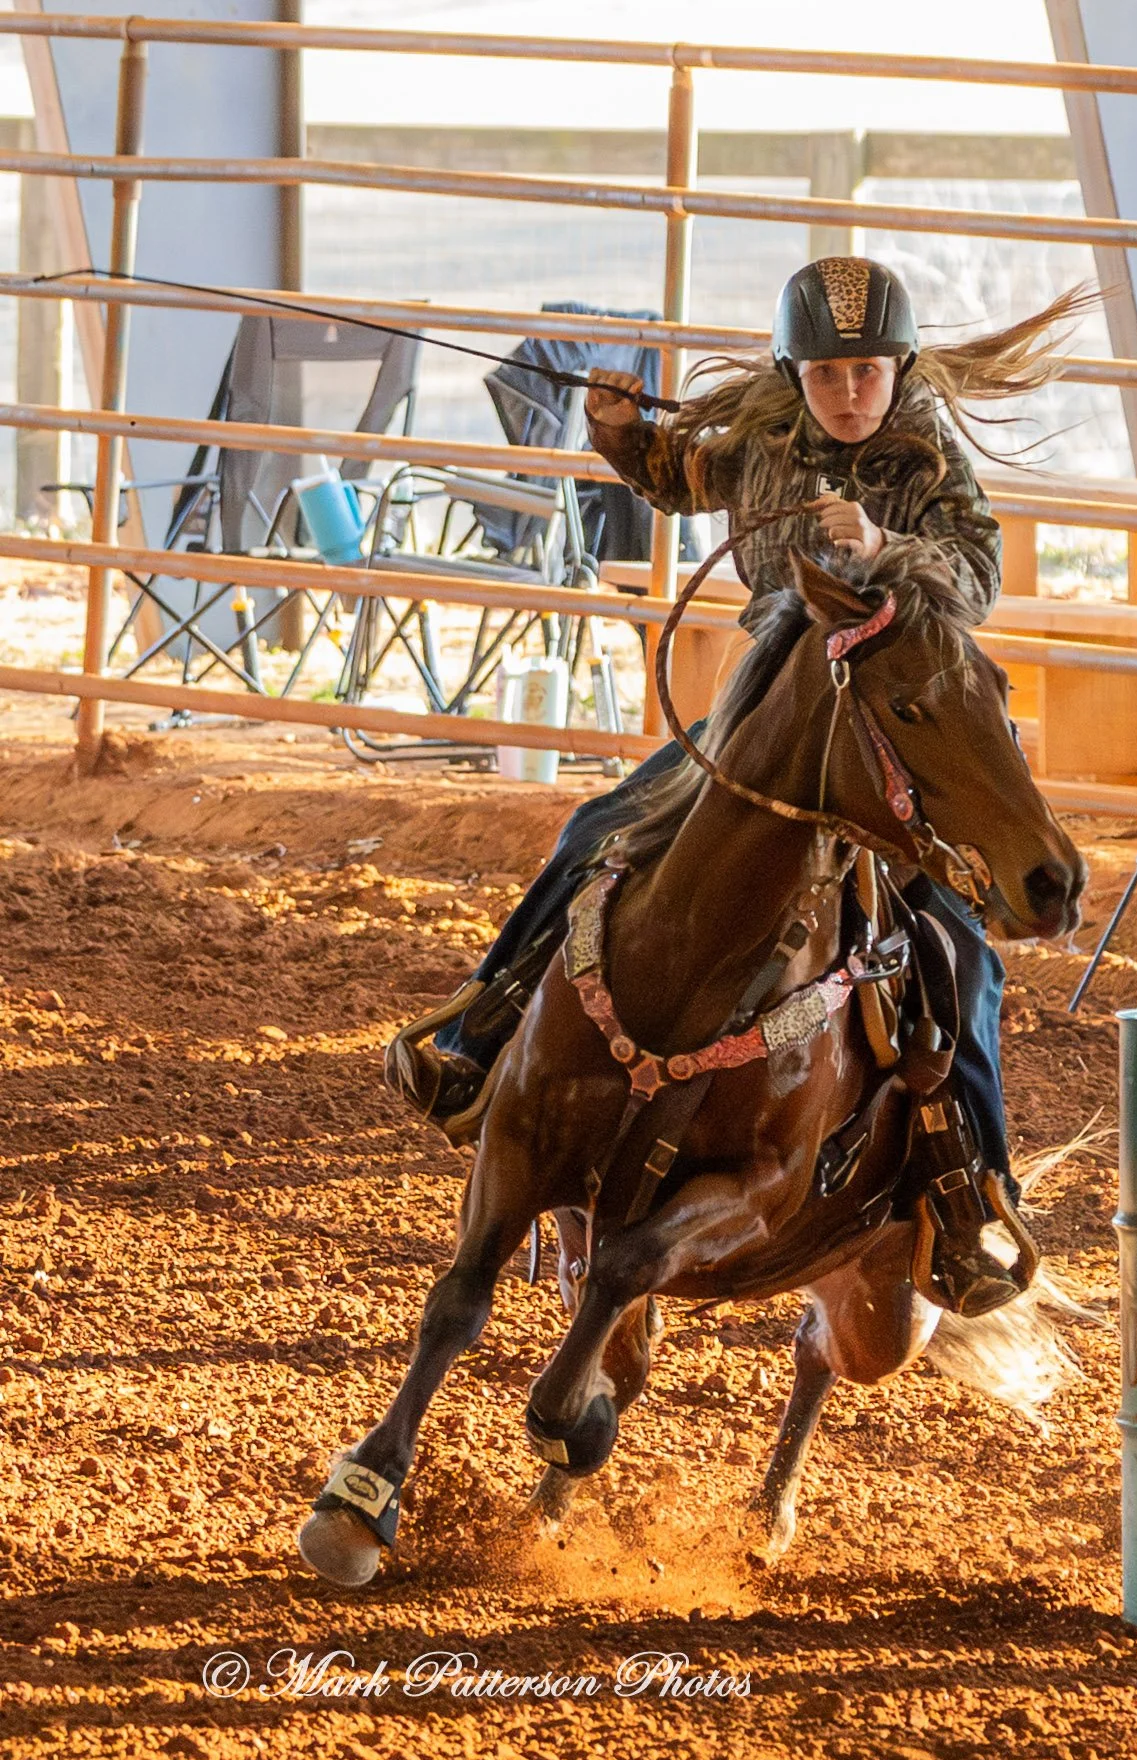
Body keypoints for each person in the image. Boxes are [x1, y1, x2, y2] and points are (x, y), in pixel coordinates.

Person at [386, 256, 1089, 1316]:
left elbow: (977, 570)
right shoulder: (763, 439)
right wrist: (621, 434)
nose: (848, 393)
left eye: (865, 373)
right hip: (768, 712)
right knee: (594, 833)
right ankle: (479, 1039)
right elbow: (680, 478)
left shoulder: (928, 459)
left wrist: (890, 544)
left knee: (959, 949)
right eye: (826, 374)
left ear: (898, 370)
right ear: (794, 373)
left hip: (888, 721)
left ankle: (969, 1185)